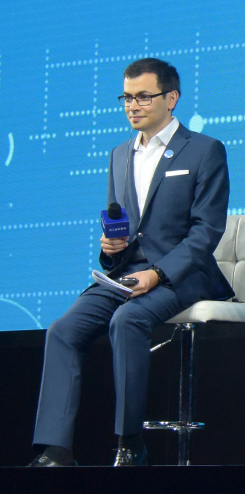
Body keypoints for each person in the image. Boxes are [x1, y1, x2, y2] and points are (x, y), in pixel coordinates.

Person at [29, 58, 233, 467]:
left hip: (182, 275)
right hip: (125, 274)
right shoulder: (119, 154)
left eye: (143, 96)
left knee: (127, 320)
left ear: (171, 98)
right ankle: (55, 451)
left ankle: (130, 443)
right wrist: (111, 249)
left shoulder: (204, 150)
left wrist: (157, 274)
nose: (132, 105)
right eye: (126, 97)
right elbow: (123, 228)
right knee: (62, 331)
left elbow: (205, 232)